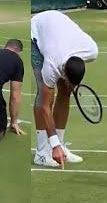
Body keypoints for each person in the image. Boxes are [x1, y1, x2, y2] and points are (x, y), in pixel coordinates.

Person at [31, 10, 98, 168]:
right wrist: (53, 145)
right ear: (64, 72)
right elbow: (45, 106)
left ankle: (62, 145)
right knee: (45, 95)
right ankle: (41, 153)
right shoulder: (52, 64)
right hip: (38, 31)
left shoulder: (91, 50)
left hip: (59, 27)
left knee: (65, 91)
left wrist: (69, 83)